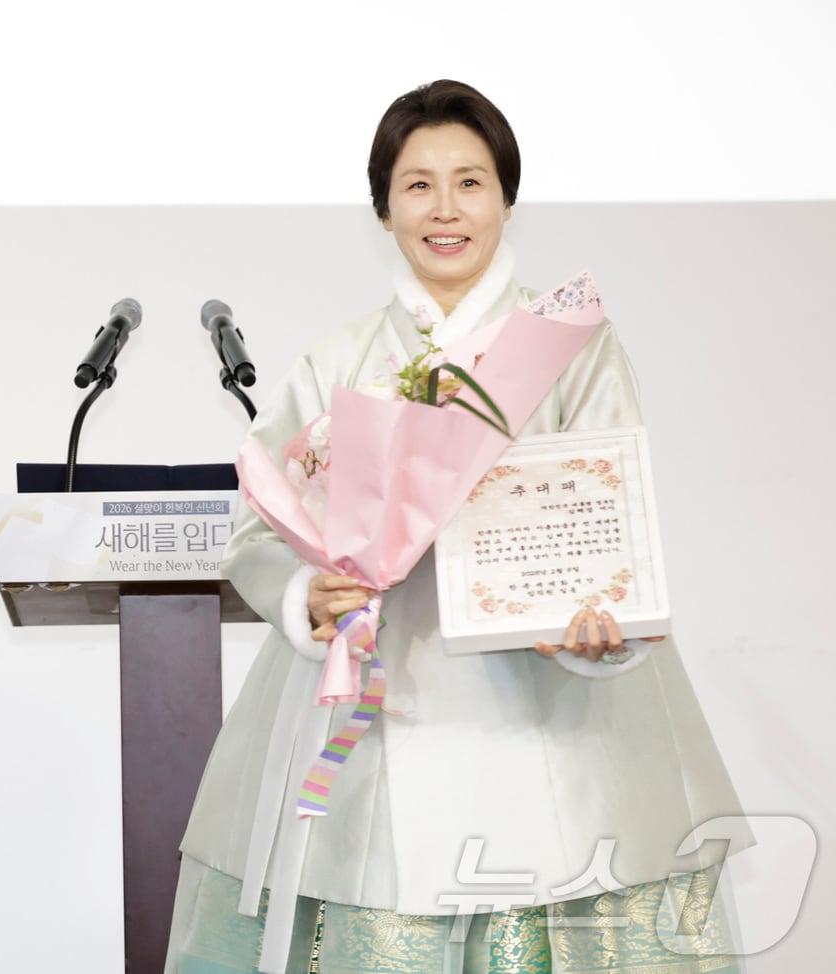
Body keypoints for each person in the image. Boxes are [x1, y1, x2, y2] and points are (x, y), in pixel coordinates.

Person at [166, 81, 748, 974]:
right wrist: (304, 594)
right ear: (384, 208)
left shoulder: (571, 347)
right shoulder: (340, 361)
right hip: (381, 719)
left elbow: (612, 525)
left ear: (508, 200)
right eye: (419, 185)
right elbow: (255, 535)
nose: (447, 210)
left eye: (471, 183)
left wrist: (607, 624)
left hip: (555, 716)